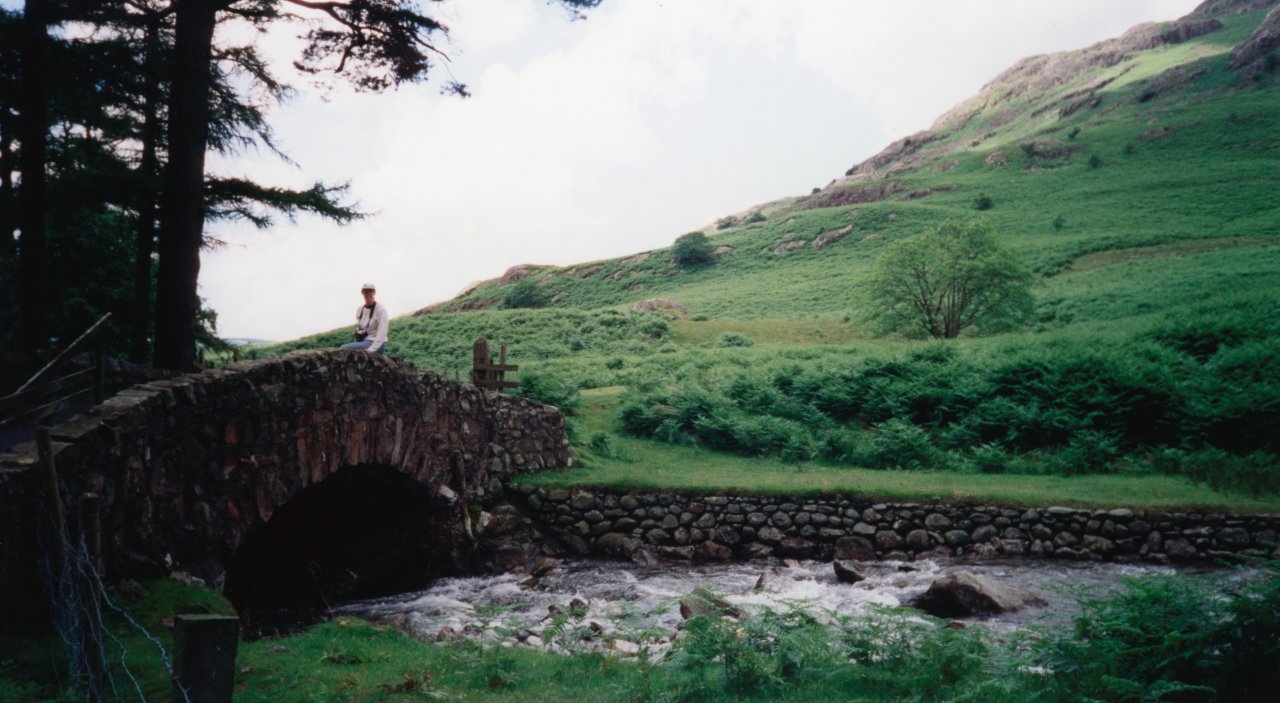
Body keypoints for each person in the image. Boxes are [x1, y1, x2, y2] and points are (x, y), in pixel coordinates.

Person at [340, 282, 389, 354]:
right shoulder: (360, 309)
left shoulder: (381, 309)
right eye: (365, 291)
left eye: (370, 291)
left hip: (376, 343)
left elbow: (382, 333)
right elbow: (359, 327)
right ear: (362, 293)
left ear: (374, 292)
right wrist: (357, 333)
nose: (368, 294)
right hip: (364, 341)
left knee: (343, 348)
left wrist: (371, 350)